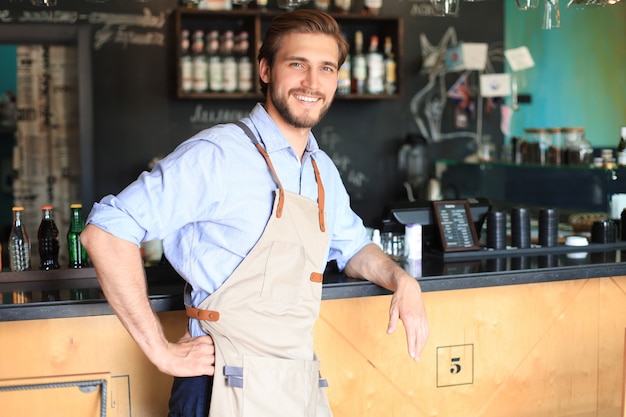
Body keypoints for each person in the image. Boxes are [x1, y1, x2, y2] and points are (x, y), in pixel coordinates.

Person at [81, 9, 429, 417]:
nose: (312, 83)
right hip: (221, 387)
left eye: (326, 68)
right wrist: (161, 351)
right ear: (265, 69)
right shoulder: (219, 154)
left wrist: (402, 279)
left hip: (297, 382)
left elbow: (352, 247)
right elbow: (105, 231)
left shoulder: (320, 171)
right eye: (297, 64)